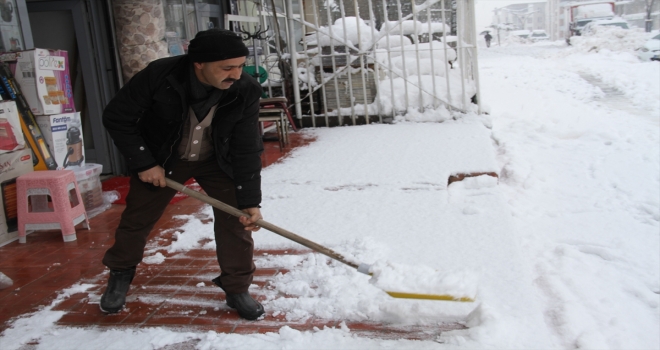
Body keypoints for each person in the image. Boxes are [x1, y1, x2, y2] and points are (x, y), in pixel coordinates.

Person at [100, 28, 266, 320]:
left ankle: (237, 288)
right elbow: (117, 117)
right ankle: (120, 275)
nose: (236, 74)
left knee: (236, 220)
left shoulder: (245, 89)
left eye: (240, 66)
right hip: (163, 159)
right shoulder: (160, 76)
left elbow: (247, 146)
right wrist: (144, 163)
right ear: (198, 63)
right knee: (137, 219)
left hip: (216, 160)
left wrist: (250, 200)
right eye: (227, 67)